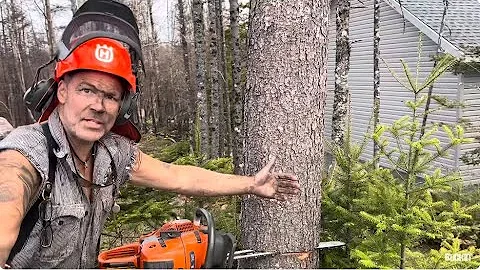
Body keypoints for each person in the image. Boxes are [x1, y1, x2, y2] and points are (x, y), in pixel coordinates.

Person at [0, 0, 299, 268]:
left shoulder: (112, 153)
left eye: (111, 96)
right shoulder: (27, 154)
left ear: (123, 105)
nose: (98, 105)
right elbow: (7, 201)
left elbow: (178, 176)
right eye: (87, 90)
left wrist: (251, 184)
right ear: (62, 90)